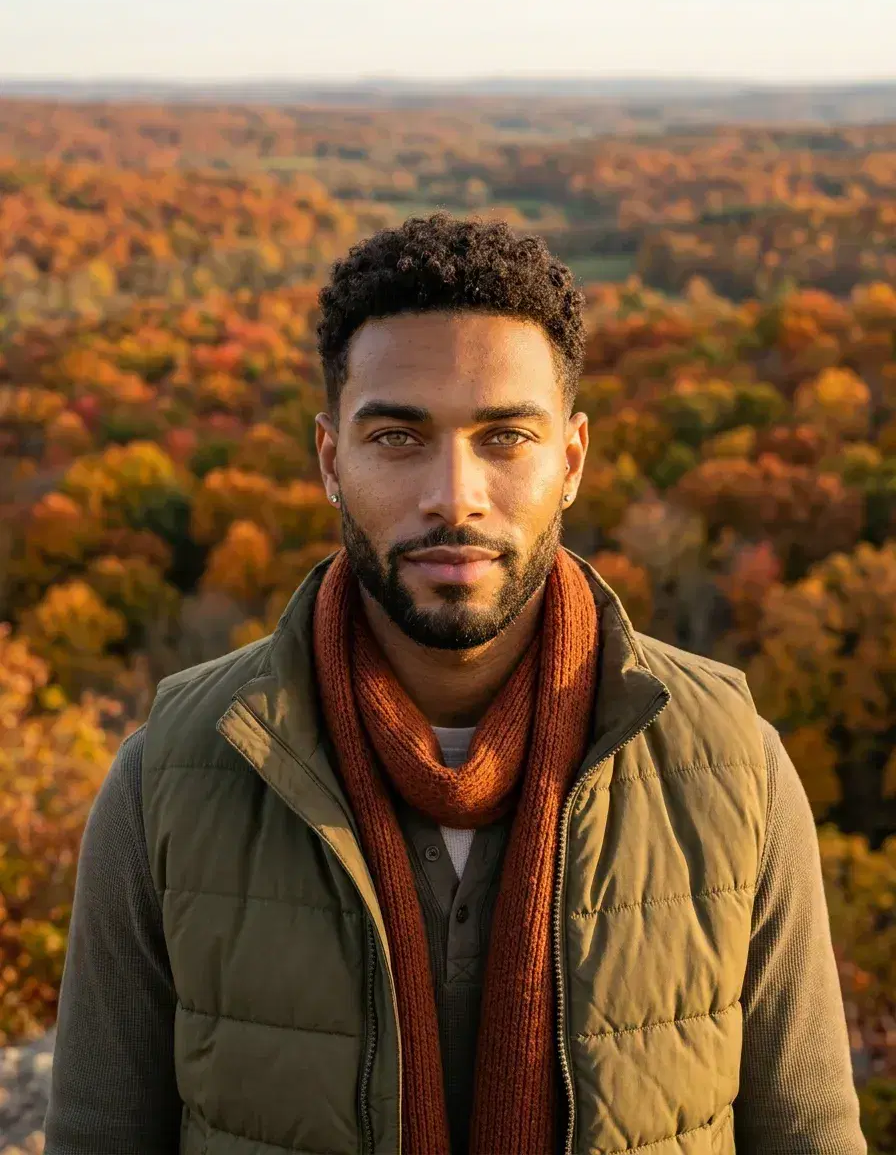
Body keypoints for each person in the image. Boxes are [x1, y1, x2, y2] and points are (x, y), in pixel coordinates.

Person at [45, 214, 866, 1155]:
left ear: (572, 460)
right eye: (397, 436)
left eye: (505, 437)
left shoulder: (732, 768)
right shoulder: (171, 777)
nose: (454, 491)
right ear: (329, 462)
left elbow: (810, 1135)